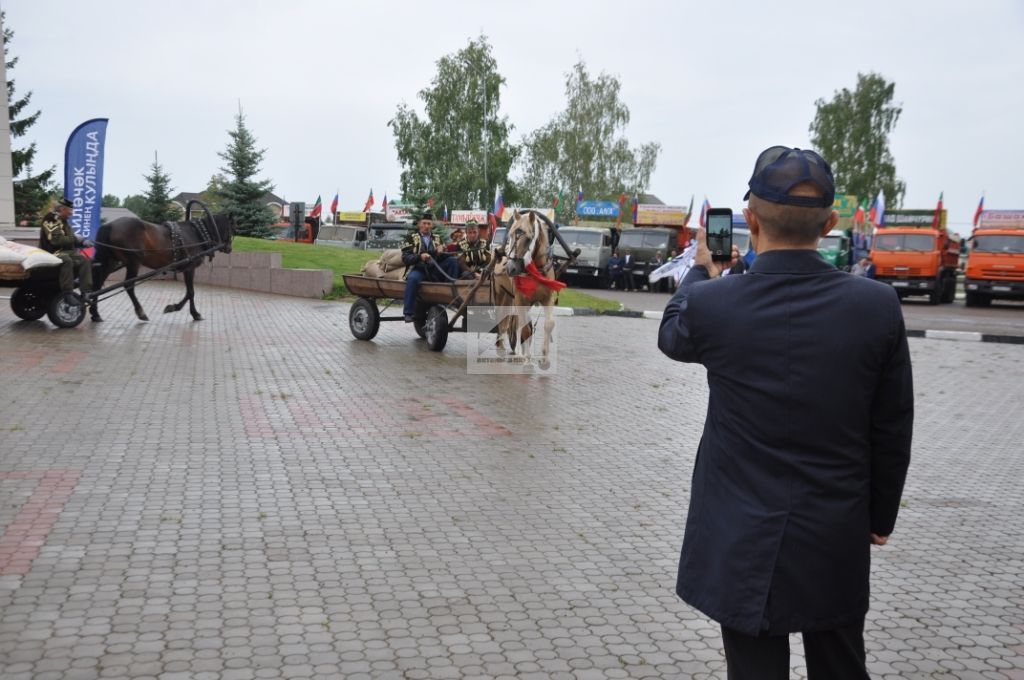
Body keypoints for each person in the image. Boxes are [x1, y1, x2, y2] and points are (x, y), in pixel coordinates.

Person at [658, 146, 913, 680]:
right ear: (830, 223)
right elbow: (891, 425)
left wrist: (704, 271)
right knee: (842, 666)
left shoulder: (713, 304)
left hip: (742, 537)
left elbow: (671, 333)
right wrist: (880, 516)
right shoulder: (877, 306)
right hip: (835, 532)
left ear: (749, 220)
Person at [400, 212, 460, 322]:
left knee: (452, 261)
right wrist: (420, 257)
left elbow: (441, 258)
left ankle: (450, 296)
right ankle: (408, 312)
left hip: (434, 269)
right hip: (419, 269)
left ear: (432, 225)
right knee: (412, 279)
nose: (427, 226)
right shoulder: (411, 238)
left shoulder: (437, 238)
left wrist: (442, 251)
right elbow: (405, 258)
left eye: (429, 224)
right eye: (424, 223)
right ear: (419, 224)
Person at [40, 197, 93, 303]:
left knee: (85, 259)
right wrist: (76, 238)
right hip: (51, 252)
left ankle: (86, 292)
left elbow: (69, 238)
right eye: (70, 210)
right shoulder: (51, 219)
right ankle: (67, 293)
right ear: (62, 209)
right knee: (66, 260)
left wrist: (82, 242)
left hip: (65, 251)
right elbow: (57, 240)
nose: (71, 213)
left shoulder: (63, 221)